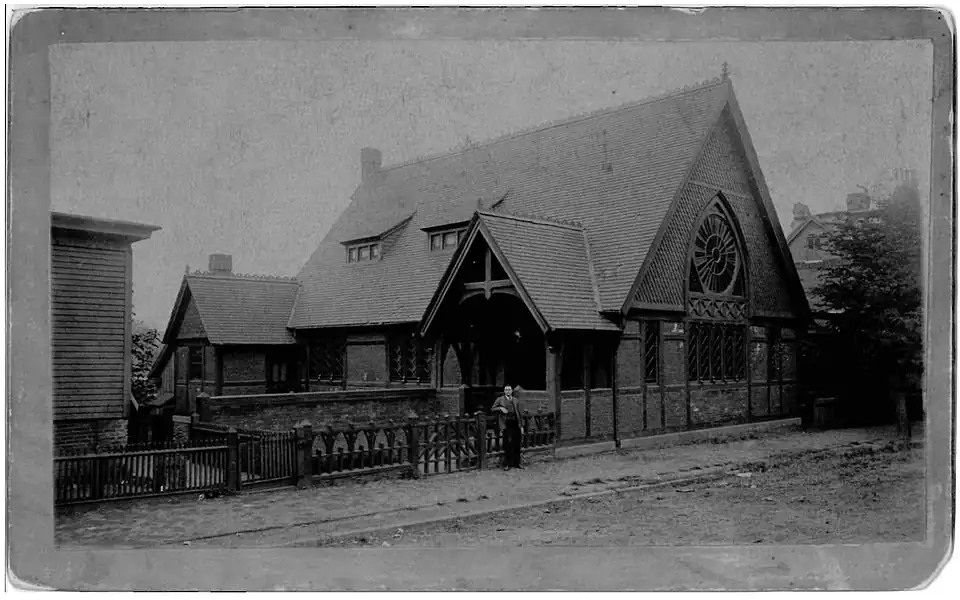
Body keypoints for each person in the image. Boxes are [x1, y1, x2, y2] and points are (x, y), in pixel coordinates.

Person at [491, 384, 524, 470]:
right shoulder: (500, 399)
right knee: (507, 444)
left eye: (509, 389)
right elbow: (493, 408)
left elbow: (519, 414)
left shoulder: (516, 400)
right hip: (506, 423)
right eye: (506, 390)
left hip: (515, 423)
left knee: (517, 443)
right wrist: (500, 408)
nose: (508, 391)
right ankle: (508, 464)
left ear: (512, 391)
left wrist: (521, 425)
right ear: (504, 391)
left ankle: (517, 463)